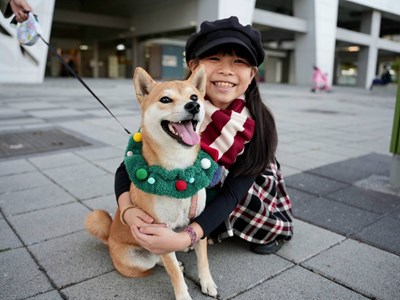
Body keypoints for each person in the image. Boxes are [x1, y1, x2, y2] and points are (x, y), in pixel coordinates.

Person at [114, 16, 293, 256]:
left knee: (228, 190)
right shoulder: (173, 107)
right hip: (198, 183)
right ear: (194, 67)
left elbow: (232, 193)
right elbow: (128, 166)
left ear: (252, 74)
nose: (226, 70)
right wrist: (126, 210)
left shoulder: (256, 122)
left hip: (241, 185)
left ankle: (259, 229)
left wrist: (186, 238)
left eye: (239, 61)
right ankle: (201, 222)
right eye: (214, 58)